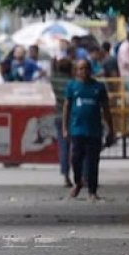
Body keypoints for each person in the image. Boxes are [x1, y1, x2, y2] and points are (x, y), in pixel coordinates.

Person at [63, 59, 115, 201]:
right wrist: (65, 128)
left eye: (86, 68)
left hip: (94, 131)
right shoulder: (72, 86)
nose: (83, 71)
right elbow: (67, 108)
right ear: (76, 71)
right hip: (77, 129)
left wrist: (111, 130)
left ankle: (92, 190)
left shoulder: (98, 87)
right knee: (75, 159)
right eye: (80, 69)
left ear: (90, 70)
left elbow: (106, 110)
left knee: (93, 162)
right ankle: (78, 182)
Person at [51, 58, 74, 187]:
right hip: (73, 117)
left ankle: (66, 176)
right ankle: (82, 175)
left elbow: (52, 73)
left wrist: (54, 66)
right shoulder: (73, 83)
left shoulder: (54, 81)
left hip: (59, 116)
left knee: (63, 148)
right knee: (77, 147)